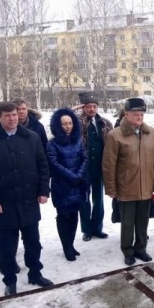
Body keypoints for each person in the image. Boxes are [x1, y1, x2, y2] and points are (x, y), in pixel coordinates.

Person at [0, 102, 53, 296]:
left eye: (15, 114)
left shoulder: (31, 137)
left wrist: (43, 190)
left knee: (33, 242)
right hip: (3, 204)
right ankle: (10, 280)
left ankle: (35, 273)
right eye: (7, 115)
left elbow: (42, 166)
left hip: (28, 201)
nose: (12, 118)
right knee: (6, 247)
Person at [102, 98, 154, 265]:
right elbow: (108, 164)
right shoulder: (115, 135)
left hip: (146, 186)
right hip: (126, 186)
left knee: (143, 221)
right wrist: (111, 188)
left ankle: (141, 248)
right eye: (135, 114)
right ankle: (127, 251)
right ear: (126, 115)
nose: (139, 117)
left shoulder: (152, 134)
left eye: (141, 114)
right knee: (127, 222)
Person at [46, 108, 89, 261]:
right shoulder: (52, 144)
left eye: (70, 123)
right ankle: (67, 247)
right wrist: (72, 176)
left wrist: (79, 175)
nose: (68, 126)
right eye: (64, 124)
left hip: (77, 185)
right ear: (58, 125)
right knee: (64, 216)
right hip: (62, 186)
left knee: (74, 215)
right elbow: (54, 163)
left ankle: (71, 244)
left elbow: (85, 158)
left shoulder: (78, 140)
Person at [75, 91, 113, 242]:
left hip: (100, 166)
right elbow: (59, 123)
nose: (91, 109)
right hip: (83, 166)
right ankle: (86, 230)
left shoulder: (104, 123)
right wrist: (71, 111)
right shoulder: (76, 122)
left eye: (94, 106)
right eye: (88, 106)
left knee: (99, 199)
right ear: (83, 107)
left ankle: (97, 228)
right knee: (84, 199)